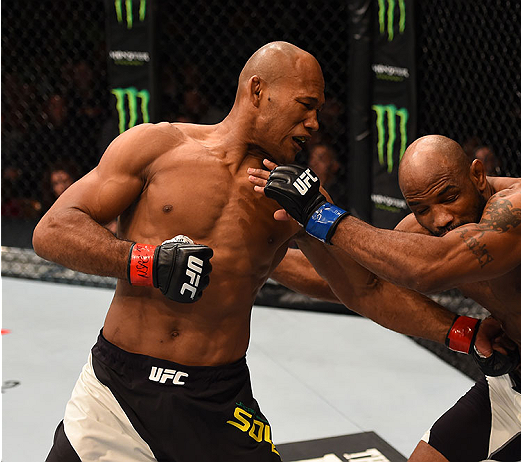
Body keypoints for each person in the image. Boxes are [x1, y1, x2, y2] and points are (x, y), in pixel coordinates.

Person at [33, 42, 479, 462]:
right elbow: (53, 229)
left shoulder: (300, 197)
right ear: (258, 90)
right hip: (116, 390)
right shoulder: (157, 147)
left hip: (217, 399)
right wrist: (144, 262)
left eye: (319, 111)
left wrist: (461, 332)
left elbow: (361, 288)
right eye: (306, 105)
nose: (315, 124)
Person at [250, 134, 521, 461]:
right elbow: (358, 285)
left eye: (449, 197)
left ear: (477, 175)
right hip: (513, 388)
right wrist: (263, 253)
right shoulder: (426, 229)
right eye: (421, 209)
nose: (440, 220)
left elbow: (430, 269)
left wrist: (322, 215)